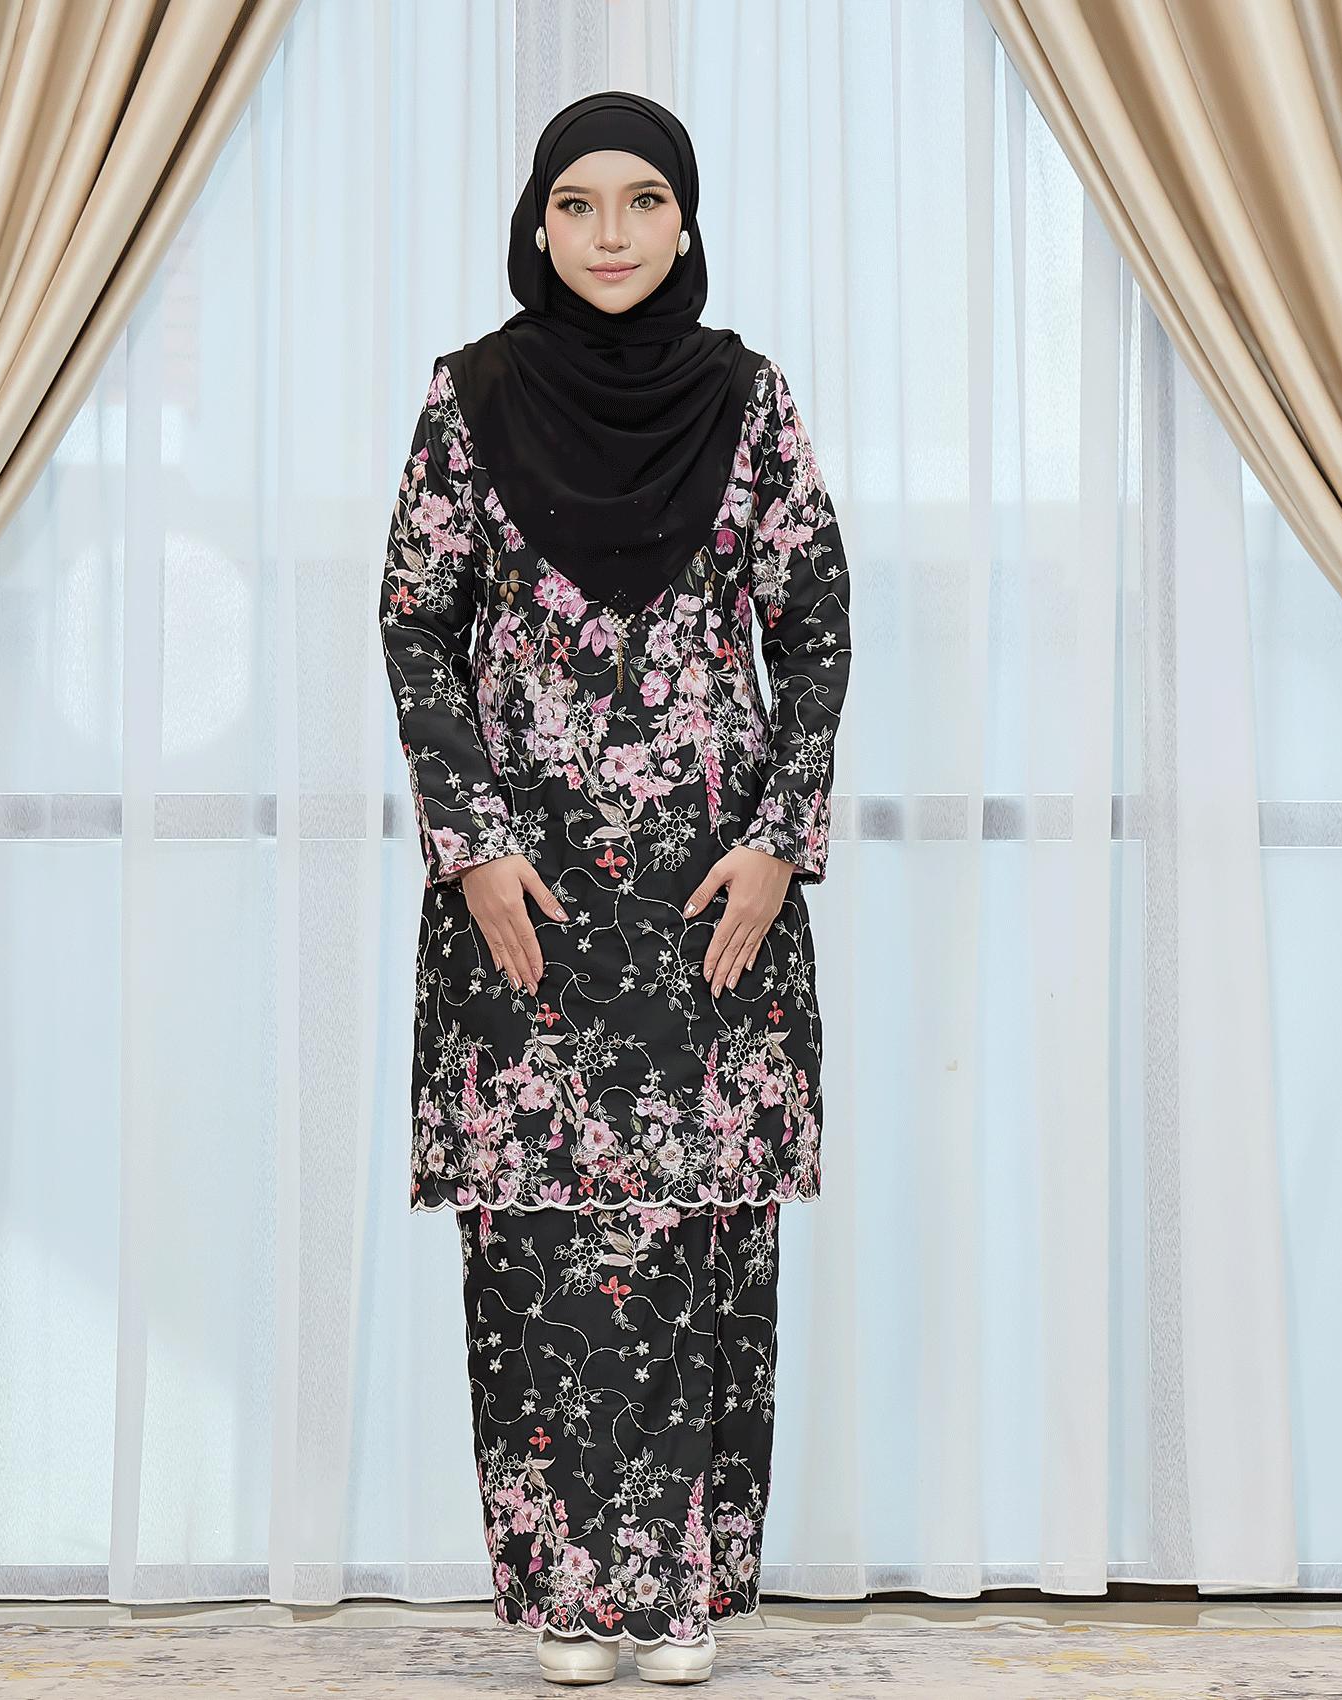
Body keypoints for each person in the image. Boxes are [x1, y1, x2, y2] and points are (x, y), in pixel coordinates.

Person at [378, 89, 851, 1687]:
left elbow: (817, 625)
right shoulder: (469, 399)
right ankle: (569, 1596)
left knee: (696, 1234)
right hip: (523, 892)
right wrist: (473, 845)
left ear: (686, 220)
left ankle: (677, 1593)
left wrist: (780, 839)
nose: (610, 234)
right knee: (537, 1239)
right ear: (537, 223)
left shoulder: (748, 400)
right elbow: (415, 623)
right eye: (577, 204)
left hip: (713, 886)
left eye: (643, 201)